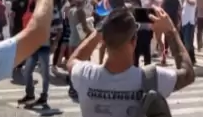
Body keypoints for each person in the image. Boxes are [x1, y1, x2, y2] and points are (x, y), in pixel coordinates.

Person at [67, 6, 195, 116]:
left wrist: (98, 32)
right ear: (134, 41)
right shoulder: (151, 78)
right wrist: (170, 30)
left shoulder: (85, 75)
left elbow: (72, 61)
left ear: (104, 42)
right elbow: (188, 74)